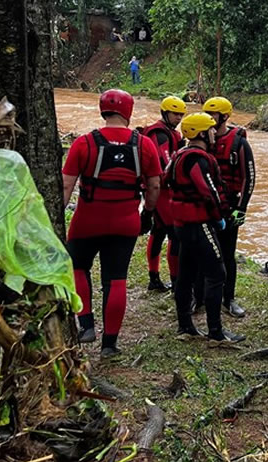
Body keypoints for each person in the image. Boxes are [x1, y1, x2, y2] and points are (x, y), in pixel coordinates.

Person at [61, 89, 162, 358]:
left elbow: (66, 185)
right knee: (116, 278)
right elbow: (153, 186)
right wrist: (147, 214)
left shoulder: (84, 143)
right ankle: (109, 343)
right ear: (127, 112)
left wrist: (54, 217)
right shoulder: (144, 145)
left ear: (102, 110)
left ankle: (85, 323)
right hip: (125, 222)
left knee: (77, 265)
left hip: (87, 221)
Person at [167, 113, 245, 343]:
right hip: (199, 224)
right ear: (201, 133)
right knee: (217, 273)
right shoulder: (199, 159)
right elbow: (209, 192)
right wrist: (220, 216)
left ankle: (186, 326)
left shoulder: (179, 154)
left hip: (182, 225)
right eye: (210, 130)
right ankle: (216, 332)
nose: (214, 133)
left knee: (186, 273)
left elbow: (165, 180)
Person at [200, 97, 256, 318]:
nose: (208, 119)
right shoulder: (201, 139)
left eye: (212, 115)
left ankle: (228, 299)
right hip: (205, 205)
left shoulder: (238, 143)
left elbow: (249, 178)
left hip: (230, 205)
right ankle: (201, 296)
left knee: (227, 254)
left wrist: (240, 210)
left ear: (223, 117)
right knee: (202, 252)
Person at [142, 96, 187, 291]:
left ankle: (155, 278)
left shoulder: (169, 132)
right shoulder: (159, 134)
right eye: (175, 114)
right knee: (173, 234)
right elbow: (164, 166)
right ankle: (175, 280)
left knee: (158, 231)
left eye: (181, 115)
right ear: (165, 113)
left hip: (160, 190)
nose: (178, 118)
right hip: (160, 191)